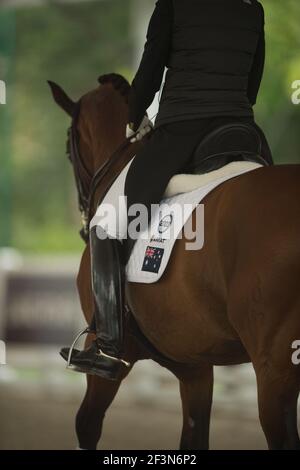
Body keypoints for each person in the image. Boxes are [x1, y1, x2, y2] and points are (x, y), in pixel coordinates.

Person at [61, 0, 273, 380]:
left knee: (107, 223)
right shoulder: (252, 8)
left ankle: (109, 344)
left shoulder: (174, 4)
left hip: (182, 131)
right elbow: (252, 83)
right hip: (243, 134)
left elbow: (151, 67)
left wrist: (134, 116)